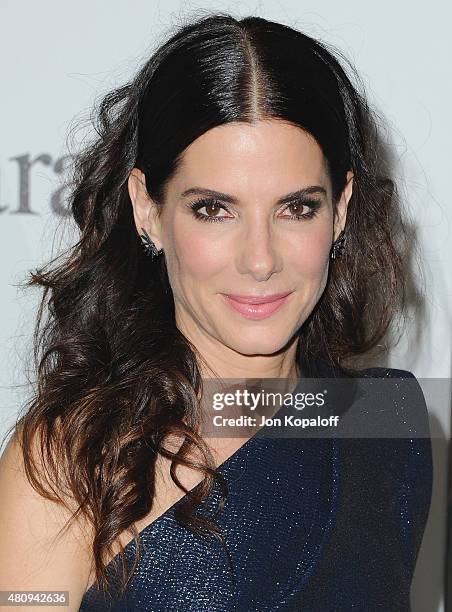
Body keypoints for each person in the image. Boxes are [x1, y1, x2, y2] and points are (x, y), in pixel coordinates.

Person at [0, 13, 433, 612]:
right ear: (147, 210)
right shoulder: (68, 462)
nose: (260, 260)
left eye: (296, 209)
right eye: (213, 210)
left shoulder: (389, 426)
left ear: (340, 209)